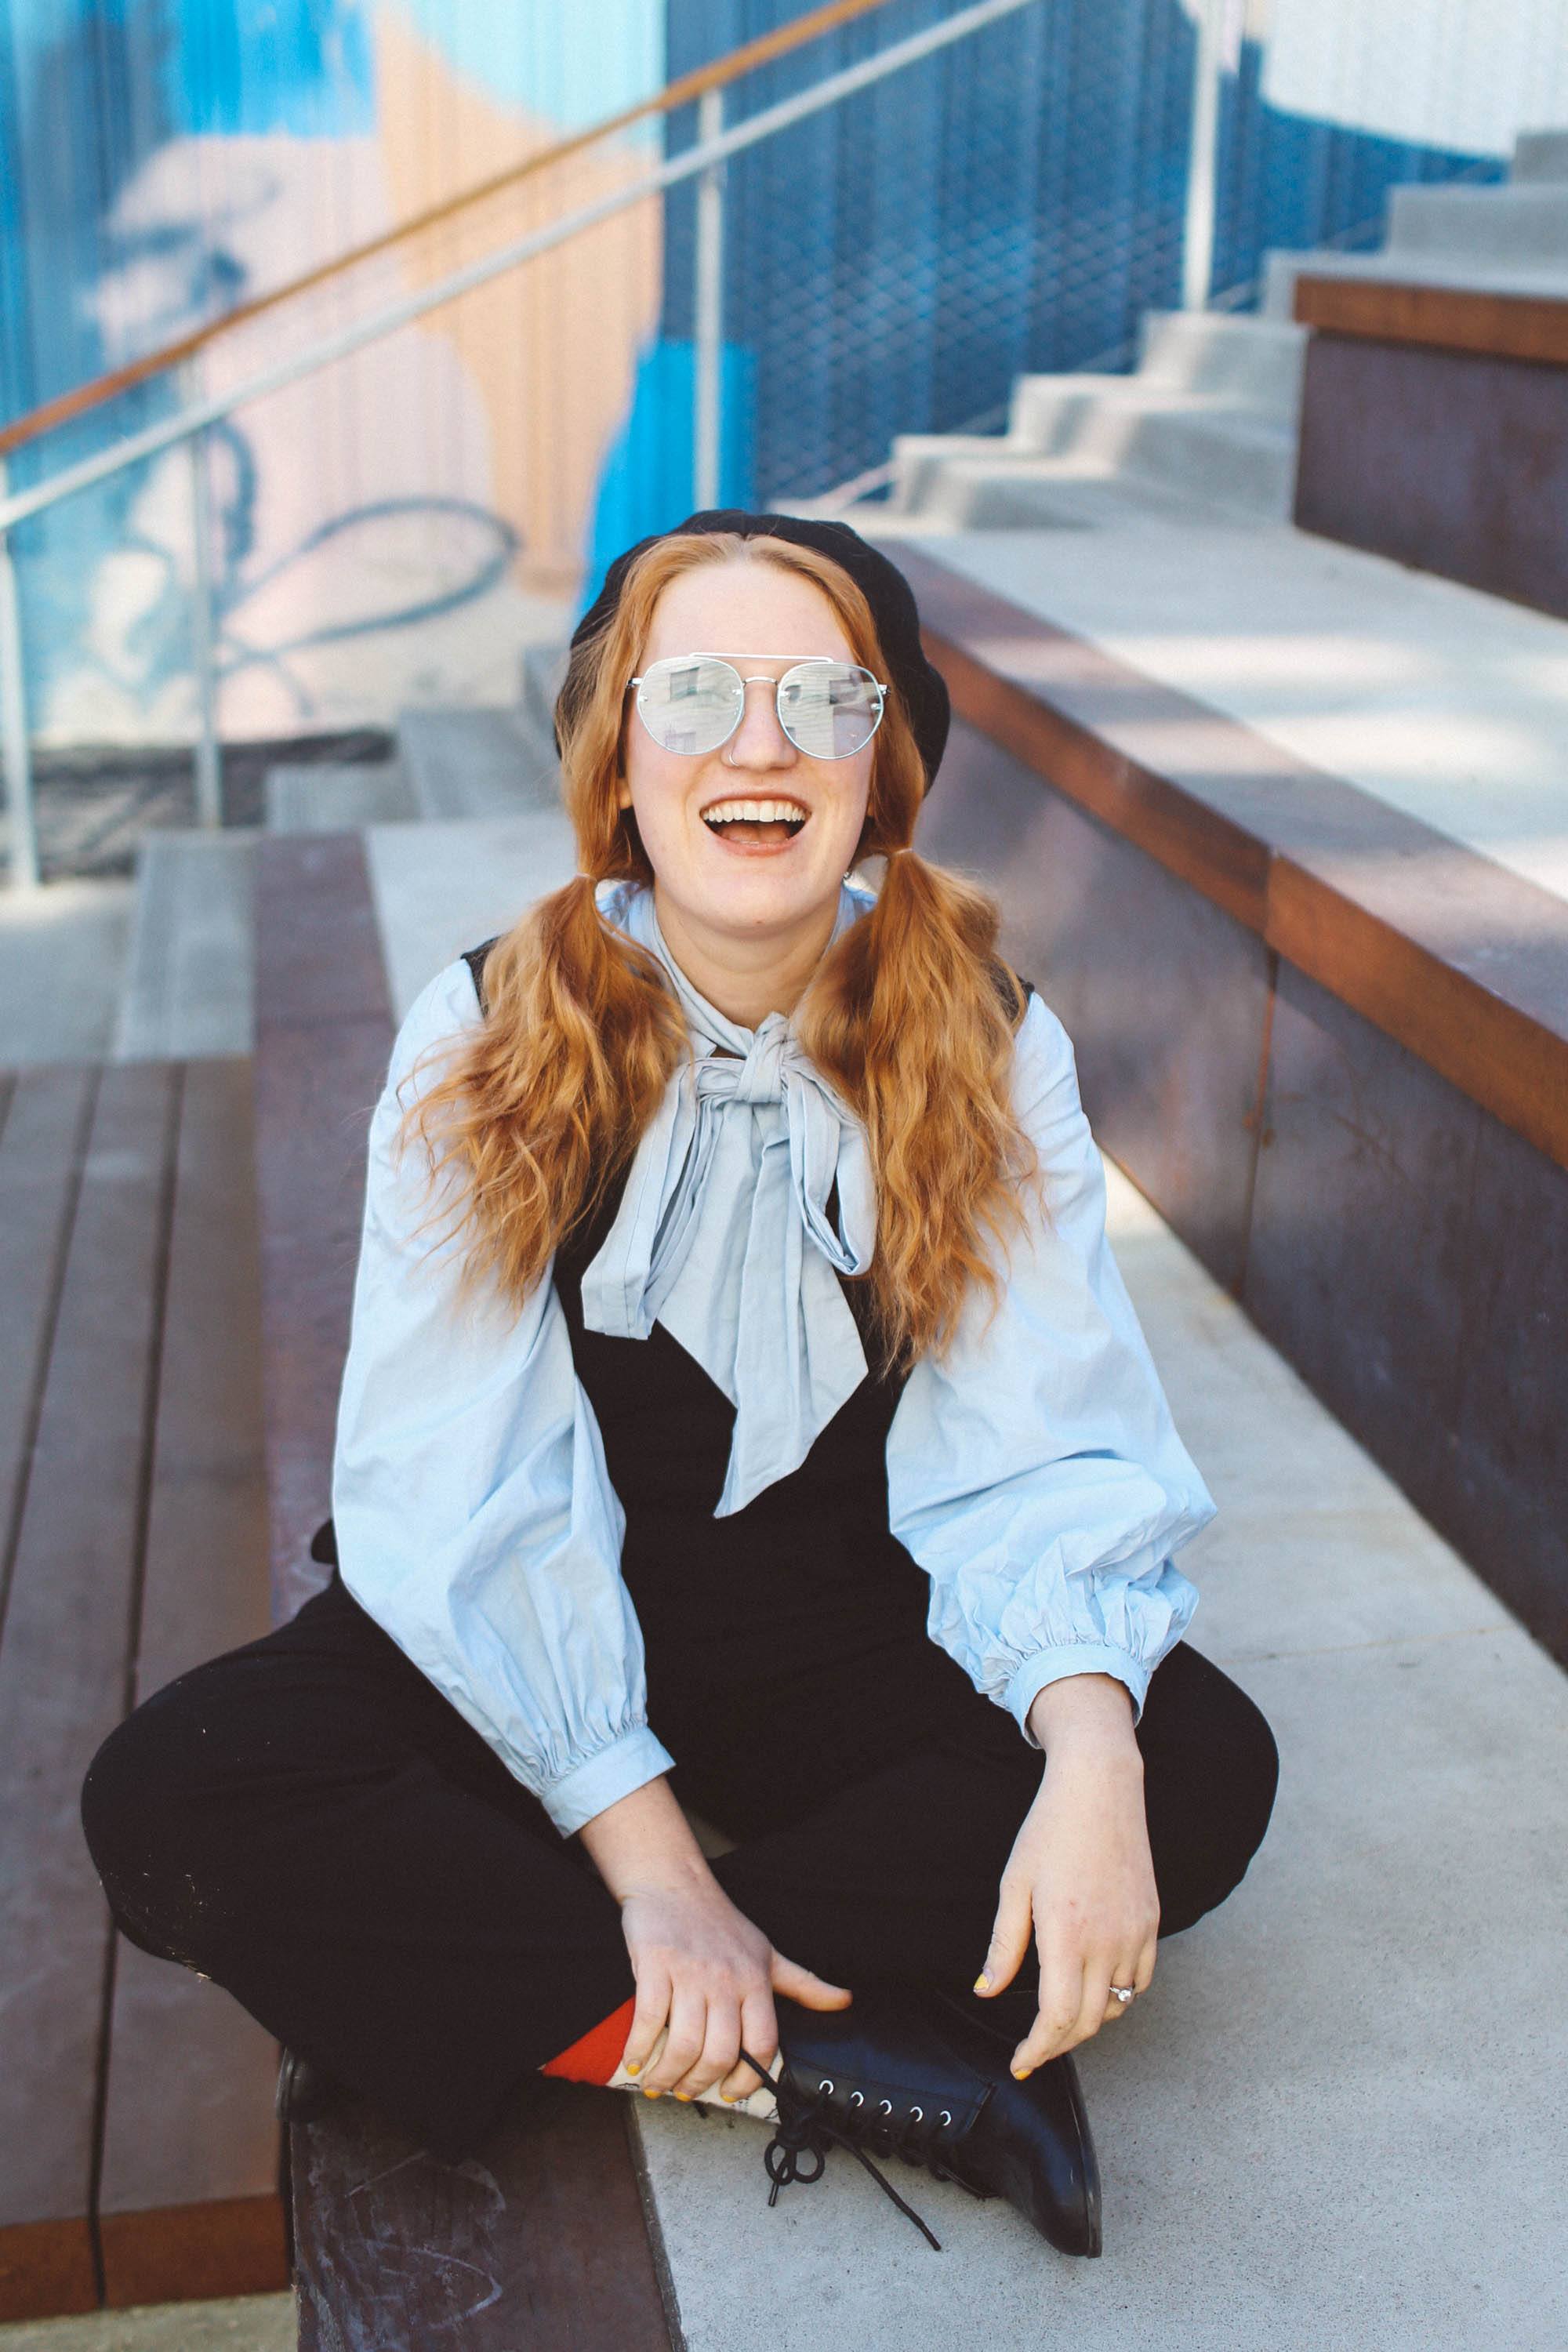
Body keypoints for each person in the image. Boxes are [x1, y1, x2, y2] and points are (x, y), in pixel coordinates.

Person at [81, 509, 1277, 2259]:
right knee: (178, 1795)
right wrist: (649, 1866)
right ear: (617, 756)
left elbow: (1042, 1439)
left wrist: (1087, 1756)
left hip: (839, 1617)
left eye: (822, 696)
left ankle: (551, 1987)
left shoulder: (987, 1030)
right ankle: (826, 2061)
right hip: (547, 1603)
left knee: (1194, 1762)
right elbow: (458, 1479)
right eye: (695, 689)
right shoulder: (487, 1028)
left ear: (888, 766)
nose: (758, 741)